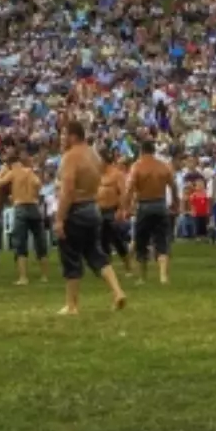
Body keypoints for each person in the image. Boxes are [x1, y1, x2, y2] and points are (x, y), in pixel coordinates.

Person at [55, 122, 128, 315]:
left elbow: (68, 190)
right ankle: (117, 291)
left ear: (73, 136)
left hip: (76, 209)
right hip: (93, 207)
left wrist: (59, 219)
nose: (61, 139)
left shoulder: (70, 157)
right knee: (96, 253)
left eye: (63, 135)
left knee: (71, 256)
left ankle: (72, 305)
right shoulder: (94, 155)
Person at [125, 141, 177, 284]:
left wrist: (126, 207)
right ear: (154, 151)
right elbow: (174, 187)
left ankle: (142, 277)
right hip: (160, 204)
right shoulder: (163, 166)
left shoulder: (137, 166)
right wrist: (175, 204)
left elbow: (129, 189)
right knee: (161, 240)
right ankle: (163, 276)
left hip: (144, 205)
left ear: (141, 151)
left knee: (141, 241)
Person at [6, 153, 51, 285]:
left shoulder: (13, 172)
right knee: (40, 241)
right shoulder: (30, 172)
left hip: (20, 207)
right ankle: (44, 276)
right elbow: (38, 185)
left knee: (20, 243)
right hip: (34, 207)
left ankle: (23, 277)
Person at [95, 151, 132, 273]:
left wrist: (121, 209)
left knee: (117, 240)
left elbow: (123, 193)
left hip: (113, 210)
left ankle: (128, 266)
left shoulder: (116, 174)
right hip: (100, 210)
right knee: (102, 240)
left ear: (104, 161)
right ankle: (107, 268)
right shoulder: (98, 175)